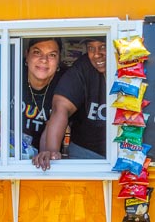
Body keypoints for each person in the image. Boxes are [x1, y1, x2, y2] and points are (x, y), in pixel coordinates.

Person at [33, 36, 107, 170]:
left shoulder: (132, 65)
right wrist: (50, 151)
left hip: (129, 151)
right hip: (86, 152)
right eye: (91, 48)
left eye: (103, 46)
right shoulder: (83, 67)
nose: (97, 54)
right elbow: (61, 108)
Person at [21, 37, 62, 153]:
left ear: (59, 60)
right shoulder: (12, 71)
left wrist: (45, 154)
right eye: (37, 52)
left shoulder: (65, 82)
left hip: (44, 157)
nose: (44, 60)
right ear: (27, 55)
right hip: (8, 153)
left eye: (52, 55)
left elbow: (53, 124)